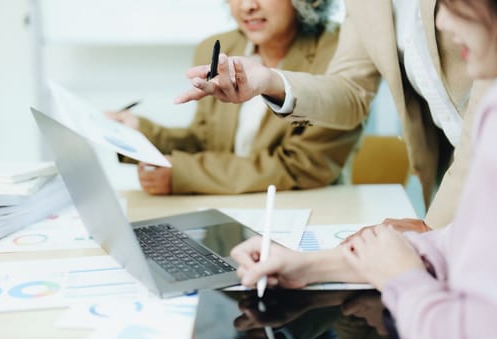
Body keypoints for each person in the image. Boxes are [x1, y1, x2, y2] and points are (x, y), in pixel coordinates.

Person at [231, 0, 497, 339]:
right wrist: (311, 265)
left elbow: (475, 336)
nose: (442, 21)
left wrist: (406, 277)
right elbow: (457, 242)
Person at [175, 0, 490, 231]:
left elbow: (484, 127)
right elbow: (351, 93)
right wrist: (270, 81)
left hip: (493, 162)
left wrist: (434, 229)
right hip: (455, 179)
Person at [107, 0, 361, 195]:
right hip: (226, 207)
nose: (247, 6)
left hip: (307, 209)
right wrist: (138, 132)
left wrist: (183, 174)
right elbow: (204, 141)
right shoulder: (217, 48)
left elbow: (302, 168)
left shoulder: (340, 52)